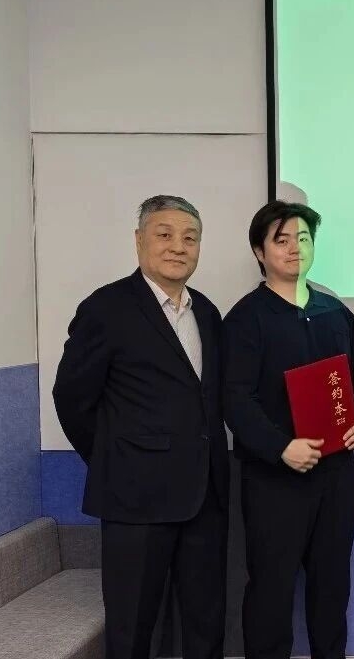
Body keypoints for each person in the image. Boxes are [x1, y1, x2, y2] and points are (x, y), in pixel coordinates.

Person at [52, 195, 228, 659]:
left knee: (206, 624)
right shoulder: (106, 308)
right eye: (164, 234)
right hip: (135, 499)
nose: (178, 247)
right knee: (133, 629)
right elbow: (72, 398)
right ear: (139, 240)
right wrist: (116, 458)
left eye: (190, 237)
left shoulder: (207, 313)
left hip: (204, 496)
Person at [224, 200, 354, 659]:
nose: (295, 248)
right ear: (260, 251)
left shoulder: (334, 311)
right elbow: (235, 399)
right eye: (282, 240)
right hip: (274, 479)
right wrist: (280, 448)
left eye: (304, 238)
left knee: (332, 585)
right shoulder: (246, 318)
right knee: (271, 588)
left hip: (335, 476)